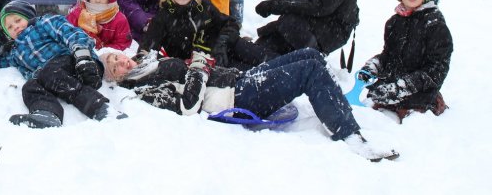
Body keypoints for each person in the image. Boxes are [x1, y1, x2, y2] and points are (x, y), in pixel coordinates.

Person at [103, 48, 399, 162]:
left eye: (117, 56)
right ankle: (350, 135)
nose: (121, 62)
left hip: (239, 79)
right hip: (237, 98)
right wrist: (198, 67)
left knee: (311, 54)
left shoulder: (147, 64)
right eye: (114, 66)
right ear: (115, 77)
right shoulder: (144, 91)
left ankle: (335, 101)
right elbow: (188, 106)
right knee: (310, 71)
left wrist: (199, 66)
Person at [0, 0, 124, 128]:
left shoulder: (44, 23)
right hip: (50, 77)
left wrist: (82, 56)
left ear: (29, 16)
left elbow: (72, 34)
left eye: (18, 20)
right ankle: (47, 114)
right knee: (29, 87)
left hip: (77, 63)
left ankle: (101, 109)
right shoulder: (15, 52)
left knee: (51, 72)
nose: (16, 27)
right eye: (10, 28)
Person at [358, 0, 453, 121]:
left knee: (410, 124)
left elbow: (437, 69)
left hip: (420, 92)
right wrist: (373, 66)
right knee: (367, 116)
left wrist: (404, 87)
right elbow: (389, 55)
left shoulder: (434, 24)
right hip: (389, 87)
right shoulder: (394, 23)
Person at [139, 0, 251, 68]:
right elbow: (145, 51)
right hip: (197, 68)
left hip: (222, 55)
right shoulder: (163, 17)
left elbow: (230, 24)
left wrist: (222, 44)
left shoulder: (204, 5)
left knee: (251, 53)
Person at [66, 0, 132, 51]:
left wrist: (102, 51)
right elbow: (66, 35)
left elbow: (123, 44)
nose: (97, 0)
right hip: (79, 54)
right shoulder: (77, 14)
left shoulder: (119, 20)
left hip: (109, 59)